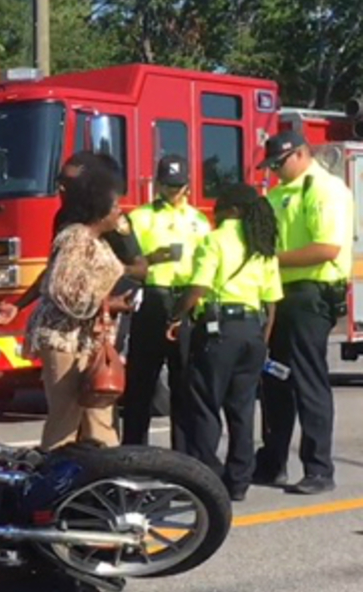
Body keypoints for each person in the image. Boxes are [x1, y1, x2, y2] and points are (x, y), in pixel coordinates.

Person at [254, 131, 355, 495]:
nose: (276, 171)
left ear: (299, 153)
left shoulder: (324, 190)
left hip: (310, 294)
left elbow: (327, 248)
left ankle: (319, 469)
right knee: (275, 379)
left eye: (280, 163)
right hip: (279, 293)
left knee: (308, 381)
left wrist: (271, 259)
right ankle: (272, 462)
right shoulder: (279, 193)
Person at [167, 183, 282, 501]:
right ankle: (239, 480)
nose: (214, 216)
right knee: (242, 410)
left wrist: (175, 317)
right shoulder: (263, 245)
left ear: (231, 210)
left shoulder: (214, 240)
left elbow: (198, 288)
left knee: (204, 405)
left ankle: (207, 475)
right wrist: (263, 340)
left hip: (220, 332)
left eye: (218, 210)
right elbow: (272, 302)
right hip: (253, 333)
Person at [23, 165, 135, 450]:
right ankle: (54, 483)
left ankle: (110, 479)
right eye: (115, 206)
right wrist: (108, 303)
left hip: (91, 339)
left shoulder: (98, 241)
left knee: (100, 412)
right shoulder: (75, 238)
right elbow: (60, 289)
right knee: (66, 416)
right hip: (63, 337)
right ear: (100, 209)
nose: (119, 212)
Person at [0, 151, 148, 327]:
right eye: (60, 181)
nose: (61, 188)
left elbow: (141, 268)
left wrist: (113, 271)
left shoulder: (110, 218)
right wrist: (18, 305)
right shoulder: (63, 218)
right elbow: (55, 270)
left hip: (106, 318)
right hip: (70, 318)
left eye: (68, 183)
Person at [122, 154, 213, 449]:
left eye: (178, 186)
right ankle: (135, 450)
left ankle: (183, 455)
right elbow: (124, 262)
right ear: (157, 184)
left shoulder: (199, 221)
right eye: (167, 185)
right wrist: (152, 258)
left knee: (184, 383)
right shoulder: (140, 217)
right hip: (152, 299)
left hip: (185, 301)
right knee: (141, 382)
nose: (173, 192)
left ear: (187, 185)